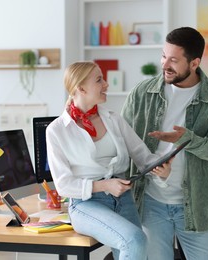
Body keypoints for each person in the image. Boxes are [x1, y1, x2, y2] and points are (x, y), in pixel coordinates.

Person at [121, 27, 208, 260]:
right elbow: (121, 143)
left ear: (195, 63)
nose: (165, 65)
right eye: (163, 56)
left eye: (174, 60)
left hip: (195, 207)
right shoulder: (142, 93)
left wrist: (190, 140)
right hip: (150, 203)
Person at [46, 61, 172, 260]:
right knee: (135, 240)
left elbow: (144, 157)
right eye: (99, 80)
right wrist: (105, 185)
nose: (106, 84)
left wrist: (161, 169)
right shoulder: (57, 130)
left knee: (139, 250)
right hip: (85, 205)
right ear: (80, 88)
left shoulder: (114, 119)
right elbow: (63, 185)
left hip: (123, 199)